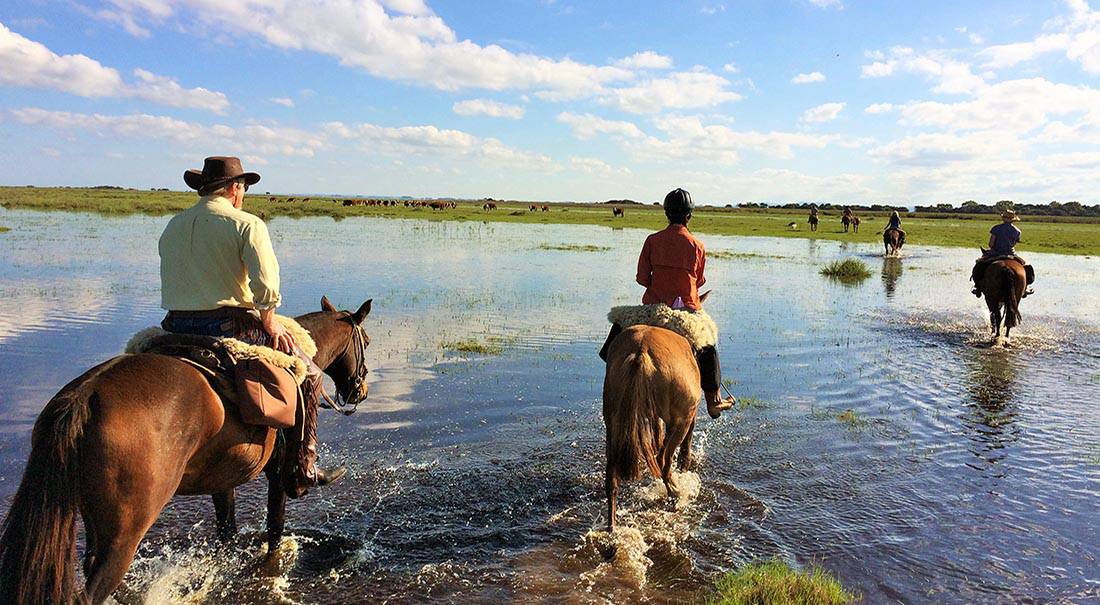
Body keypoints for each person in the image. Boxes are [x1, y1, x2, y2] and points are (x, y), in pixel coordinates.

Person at [158, 156, 345, 497]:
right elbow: (266, 286)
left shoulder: (174, 225)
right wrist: (270, 324)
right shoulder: (247, 224)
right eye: (243, 187)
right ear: (234, 188)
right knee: (310, 374)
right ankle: (303, 466)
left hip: (173, 326)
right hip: (227, 325)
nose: (243, 194)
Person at [599, 188, 736, 419]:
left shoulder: (652, 240)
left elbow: (642, 278)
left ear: (666, 214)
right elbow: (699, 281)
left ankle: (614, 377)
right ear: (689, 216)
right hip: (685, 311)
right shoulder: (697, 246)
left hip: (653, 310)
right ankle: (714, 400)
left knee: (616, 335)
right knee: (708, 339)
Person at [970, 209, 1034, 297]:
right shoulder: (1017, 231)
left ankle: (977, 287)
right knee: (1026, 267)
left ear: (1003, 218)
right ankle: (1025, 287)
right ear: (1013, 219)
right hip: (1011, 254)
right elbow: (1013, 244)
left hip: (995, 253)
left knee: (979, 265)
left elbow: (991, 244)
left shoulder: (996, 228)